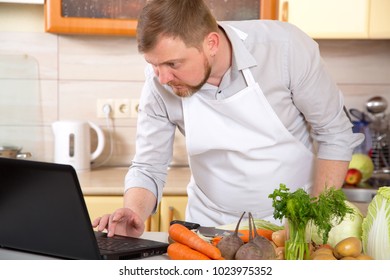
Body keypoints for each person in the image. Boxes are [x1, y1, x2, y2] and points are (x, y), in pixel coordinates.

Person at [93, 0, 364, 238]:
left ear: (211, 43)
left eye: (173, 64)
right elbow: (148, 166)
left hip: (291, 227)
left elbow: (334, 133)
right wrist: (133, 211)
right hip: (208, 229)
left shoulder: (285, 50)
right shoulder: (159, 83)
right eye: (154, 65)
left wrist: (312, 220)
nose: (162, 78)